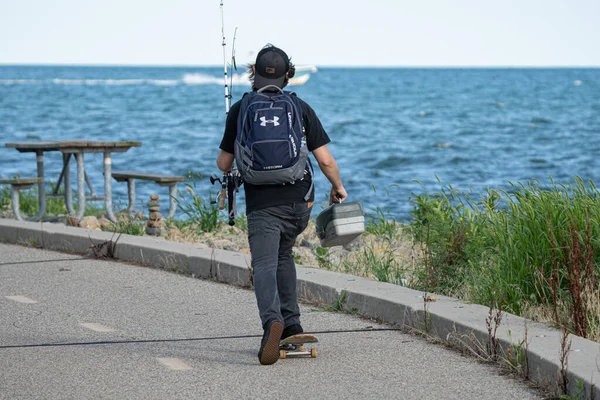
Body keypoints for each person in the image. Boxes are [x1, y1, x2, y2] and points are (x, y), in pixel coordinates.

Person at [216, 44, 347, 365]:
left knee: (263, 264)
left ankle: (271, 323)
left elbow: (223, 163)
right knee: (284, 254)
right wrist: (338, 187)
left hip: (262, 204)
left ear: (253, 73)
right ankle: (292, 324)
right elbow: (326, 160)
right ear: (290, 74)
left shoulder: (242, 108)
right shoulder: (299, 107)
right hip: (299, 202)